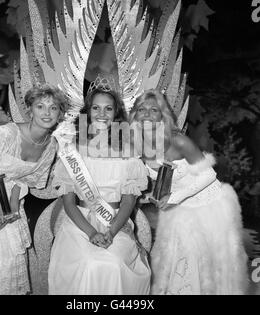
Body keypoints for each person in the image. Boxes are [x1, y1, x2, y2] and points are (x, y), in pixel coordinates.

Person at [129, 89, 249, 295]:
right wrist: (147, 196)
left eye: (154, 110)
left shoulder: (178, 141)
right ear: (134, 115)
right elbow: (153, 181)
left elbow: (208, 175)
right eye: (142, 109)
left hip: (208, 205)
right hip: (178, 209)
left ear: (162, 115)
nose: (147, 114)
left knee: (204, 269)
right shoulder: (135, 144)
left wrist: (175, 198)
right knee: (177, 266)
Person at [0, 84, 67, 295]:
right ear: (30, 109)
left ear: (60, 114)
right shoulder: (6, 133)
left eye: (53, 108)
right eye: (40, 106)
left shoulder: (51, 145)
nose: (46, 113)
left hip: (6, 195)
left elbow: (24, 180)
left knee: (8, 259)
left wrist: (12, 208)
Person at [48, 87, 151, 295]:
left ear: (116, 114)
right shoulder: (72, 150)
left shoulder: (128, 151)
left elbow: (128, 203)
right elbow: (68, 203)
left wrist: (111, 232)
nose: (102, 114)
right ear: (87, 112)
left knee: (113, 263)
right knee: (89, 262)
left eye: (108, 109)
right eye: (96, 108)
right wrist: (92, 232)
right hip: (80, 225)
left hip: (116, 222)